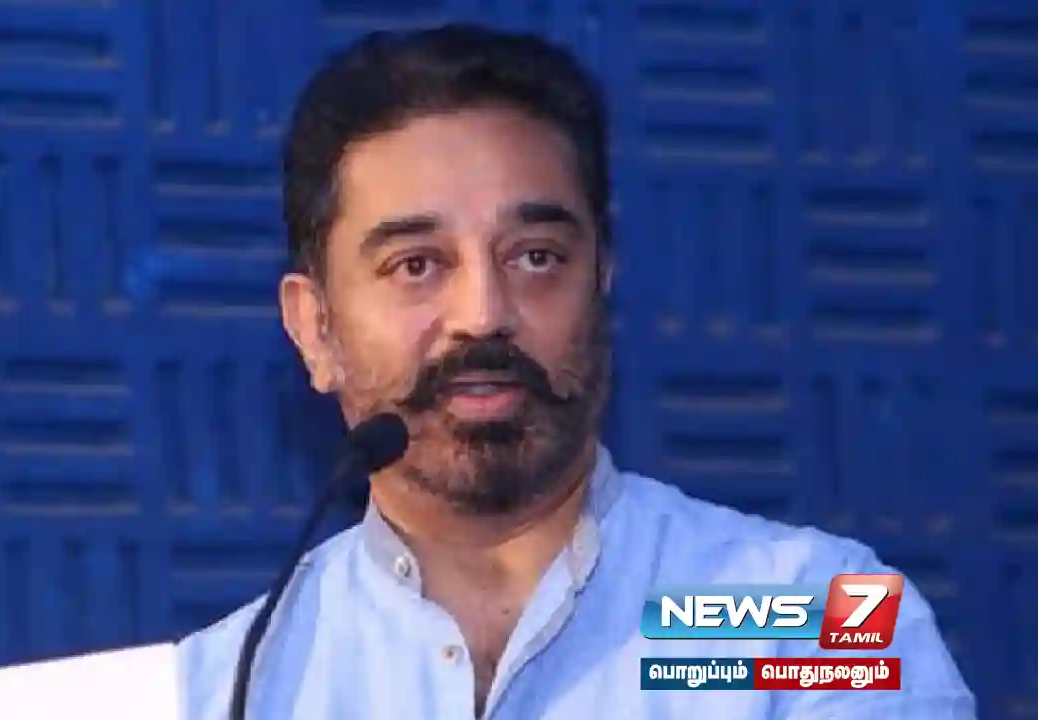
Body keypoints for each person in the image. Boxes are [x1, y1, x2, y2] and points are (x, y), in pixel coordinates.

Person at [175, 23, 975, 719]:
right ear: (316, 329)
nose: (484, 312)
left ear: (601, 282)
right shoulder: (222, 692)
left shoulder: (805, 621)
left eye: (536, 257)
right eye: (416, 264)